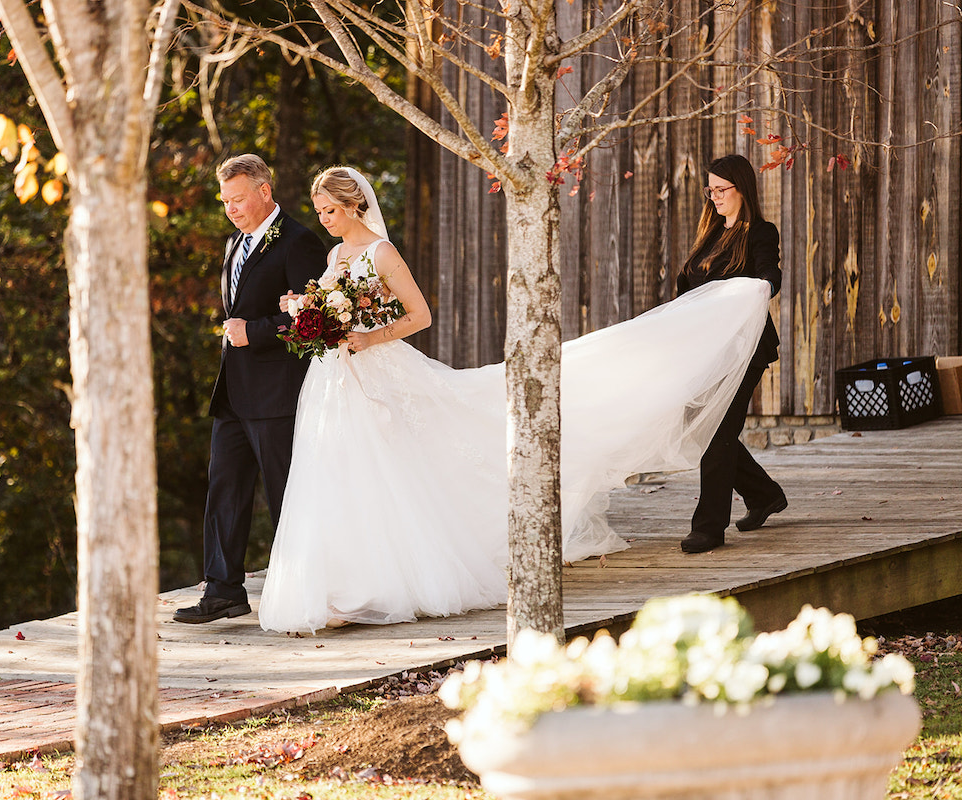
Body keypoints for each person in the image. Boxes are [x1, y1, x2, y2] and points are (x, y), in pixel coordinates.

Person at [258, 166, 774, 634]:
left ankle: (383, 583)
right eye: (320, 211)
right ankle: (337, 585)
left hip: (377, 370)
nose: (323, 219)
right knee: (338, 475)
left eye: (330, 209)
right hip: (334, 380)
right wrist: (306, 313)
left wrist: (369, 336)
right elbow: (335, 310)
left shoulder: (382, 253)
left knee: (388, 471)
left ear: (355, 206)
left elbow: (419, 316)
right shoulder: (333, 255)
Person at [174, 154, 327, 624]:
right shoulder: (234, 243)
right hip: (234, 394)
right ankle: (223, 591)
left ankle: (298, 592)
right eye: (225, 202)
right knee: (224, 491)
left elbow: (316, 318)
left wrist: (254, 332)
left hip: (278, 394)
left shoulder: (299, 241)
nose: (231, 209)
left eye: (238, 199)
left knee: (285, 495)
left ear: (265, 191)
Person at [677, 154, 786, 554]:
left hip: (745, 349)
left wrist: (760, 288)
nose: (715, 196)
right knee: (702, 426)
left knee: (719, 433)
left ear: (743, 189)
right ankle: (764, 495)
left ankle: (708, 527)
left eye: (722, 189)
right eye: (711, 189)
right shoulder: (710, 235)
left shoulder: (760, 232)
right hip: (707, 349)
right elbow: (689, 289)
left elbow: (768, 275)